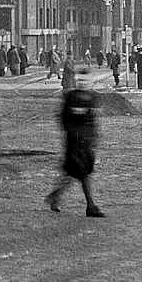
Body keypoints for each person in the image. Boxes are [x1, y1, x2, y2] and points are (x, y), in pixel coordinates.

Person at [45, 68, 104, 217]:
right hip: (75, 141)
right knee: (82, 172)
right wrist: (72, 133)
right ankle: (90, 206)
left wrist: (94, 136)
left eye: (86, 81)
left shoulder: (92, 97)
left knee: (73, 172)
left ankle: (55, 196)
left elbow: (93, 119)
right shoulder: (71, 96)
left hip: (87, 141)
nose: (83, 84)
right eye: (81, 81)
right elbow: (63, 118)